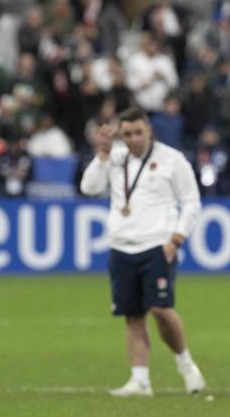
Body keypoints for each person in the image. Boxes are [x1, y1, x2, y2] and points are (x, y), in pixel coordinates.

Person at [79, 106, 206, 397]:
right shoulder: (114, 158)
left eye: (138, 132)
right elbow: (88, 187)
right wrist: (102, 153)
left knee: (161, 309)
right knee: (133, 315)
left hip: (157, 245)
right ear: (120, 135)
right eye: (127, 134)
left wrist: (176, 239)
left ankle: (186, 365)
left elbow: (191, 202)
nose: (134, 139)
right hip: (121, 246)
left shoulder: (172, 160)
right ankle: (140, 380)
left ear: (149, 129)